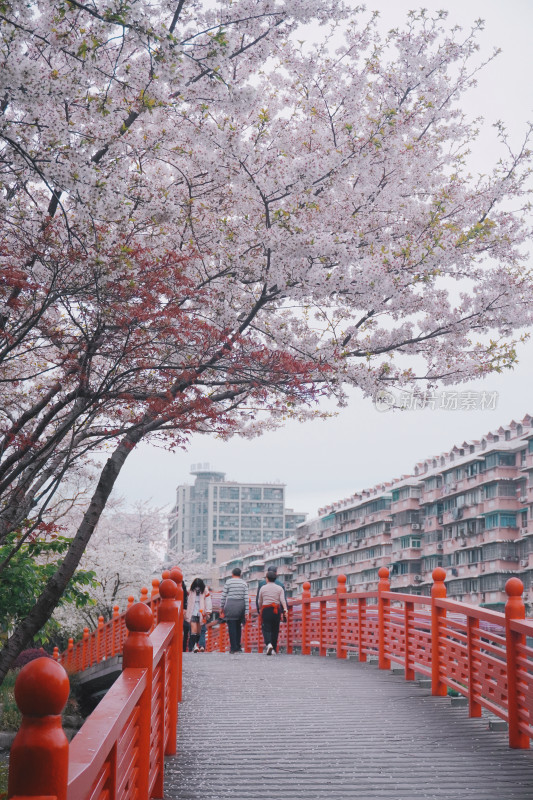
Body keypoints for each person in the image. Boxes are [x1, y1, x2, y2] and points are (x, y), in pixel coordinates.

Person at [258, 571, 288, 655]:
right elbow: (283, 600)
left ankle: (268, 644)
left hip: (266, 610)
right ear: (275, 579)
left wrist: (260, 609)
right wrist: (285, 610)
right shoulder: (279, 588)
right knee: (275, 629)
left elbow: (260, 601)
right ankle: (274, 648)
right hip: (276, 610)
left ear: (267, 579)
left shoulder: (263, 588)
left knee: (266, 628)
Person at [219, 567, 248, 654]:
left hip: (230, 605)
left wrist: (221, 607)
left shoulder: (228, 582)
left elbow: (224, 596)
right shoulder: (244, 583)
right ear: (240, 575)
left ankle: (233, 647)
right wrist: (247, 611)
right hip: (240, 606)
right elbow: (246, 598)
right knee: (238, 626)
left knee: (231, 627)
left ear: (232, 574)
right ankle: (238, 647)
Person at [186, 578, 212, 652]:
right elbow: (186, 600)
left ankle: (199, 645)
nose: (197, 588)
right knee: (193, 631)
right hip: (193, 612)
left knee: (200, 631)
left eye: (198, 587)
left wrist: (208, 611)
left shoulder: (205, 591)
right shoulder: (190, 591)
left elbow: (208, 601)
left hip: (201, 613)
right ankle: (195, 646)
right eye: (196, 587)